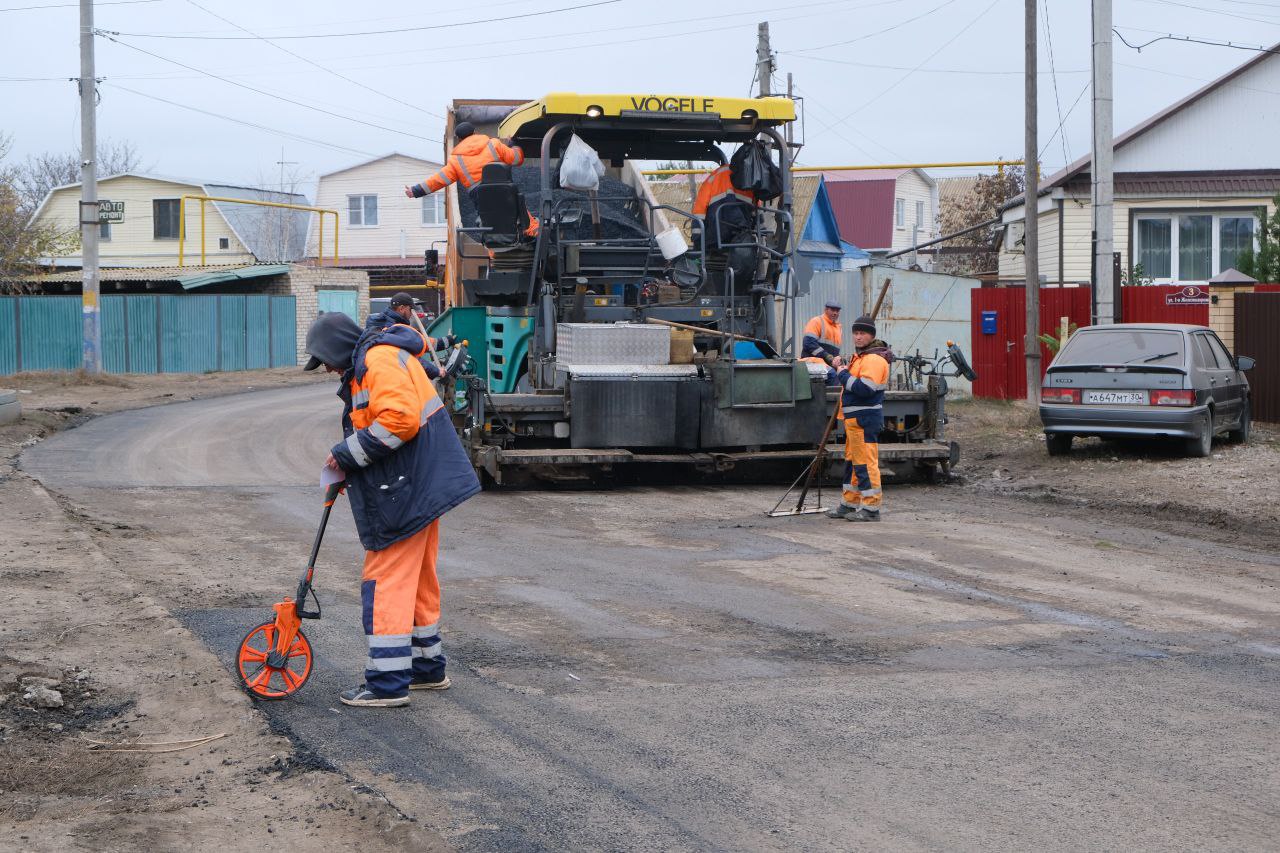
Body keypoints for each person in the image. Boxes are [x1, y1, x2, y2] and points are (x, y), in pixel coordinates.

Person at [303, 311, 481, 707]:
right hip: (420, 483)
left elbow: (399, 421)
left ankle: (386, 683)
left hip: (410, 488)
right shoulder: (379, 356)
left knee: (384, 580)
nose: (329, 369)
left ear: (336, 348)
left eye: (326, 360)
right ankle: (425, 668)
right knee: (416, 579)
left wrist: (345, 456)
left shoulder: (377, 360)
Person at [404, 122, 538, 238]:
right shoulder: (494, 144)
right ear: (475, 132)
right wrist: (513, 145)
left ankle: (497, 257)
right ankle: (536, 234)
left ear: (459, 138)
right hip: (505, 191)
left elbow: (438, 180)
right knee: (522, 216)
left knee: (492, 228)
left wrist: (415, 191)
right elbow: (516, 159)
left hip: (482, 199)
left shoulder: (456, 160)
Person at [826, 315, 893, 522]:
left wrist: (843, 373)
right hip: (854, 420)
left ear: (871, 335)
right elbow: (853, 380)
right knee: (853, 463)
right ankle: (850, 503)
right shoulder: (862, 358)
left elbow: (865, 388)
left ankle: (871, 508)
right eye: (855, 333)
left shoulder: (873, 359)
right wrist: (842, 369)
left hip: (864, 419)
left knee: (865, 463)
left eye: (862, 333)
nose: (858, 337)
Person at [366, 292, 455, 357]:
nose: (412, 313)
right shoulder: (394, 327)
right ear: (401, 309)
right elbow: (418, 342)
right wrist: (447, 341)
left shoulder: (390, 322)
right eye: (410, 309)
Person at [801, 301, 843, 368]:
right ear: (825, 310)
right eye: (832, 310)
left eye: (837, 311)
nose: (835, 313)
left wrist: (837, 360)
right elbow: (808, 344)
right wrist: (826, 356)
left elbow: (835, 351)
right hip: (813, 364)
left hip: (828, 366)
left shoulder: (838, 328)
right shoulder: (817, 321)